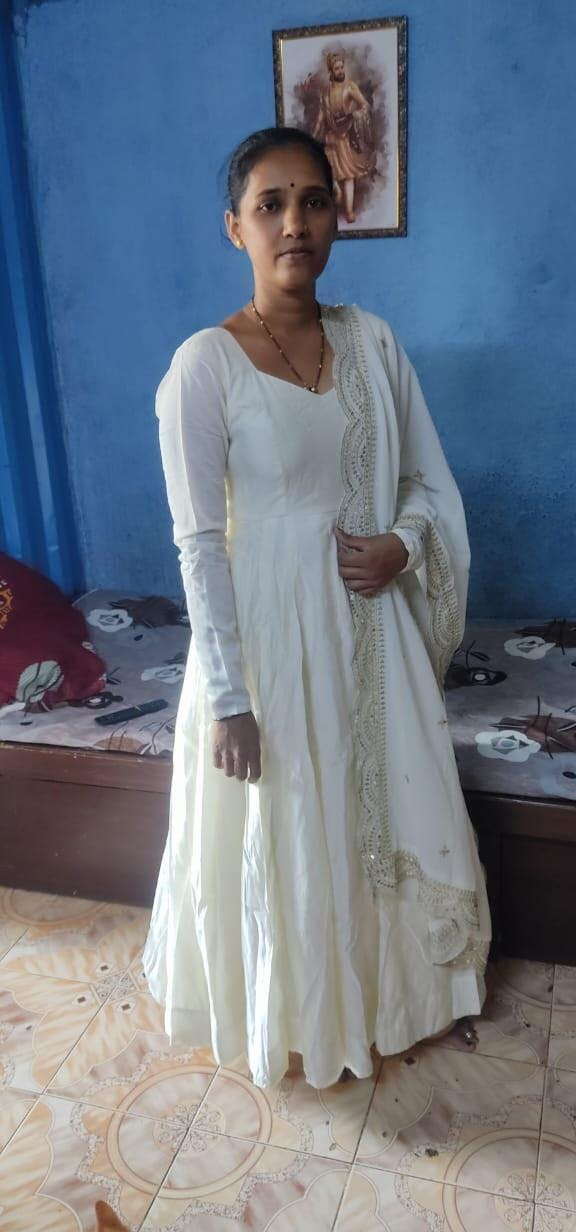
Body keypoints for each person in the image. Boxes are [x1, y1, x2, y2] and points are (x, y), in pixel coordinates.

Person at [143, 126, 491, 1091]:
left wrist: (403, 545)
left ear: (338, 218)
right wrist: (228, 700)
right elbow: (198, 544)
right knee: (293, 826)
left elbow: (425, 482)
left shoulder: (373, 345)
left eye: (314, 201)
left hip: (369, 631)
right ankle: (303, 1015)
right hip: (268, 649)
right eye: (271, 205)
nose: (295, 222)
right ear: (236, 227)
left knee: (376, 811)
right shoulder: (203, 367)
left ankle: (391, 1003)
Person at [313, 51, 375, 223]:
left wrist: (356, 113)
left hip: (344, 137)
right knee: (329, 175)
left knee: (348, 176)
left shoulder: (350, 87)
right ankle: (334, 202)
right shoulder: (325, 93)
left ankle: (349, 212)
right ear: (331, 71)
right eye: (337, 68)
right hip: (330, 139)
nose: (340, 71)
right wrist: (312, 138)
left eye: (342, 67)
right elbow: (320, 119)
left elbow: (365, 105)